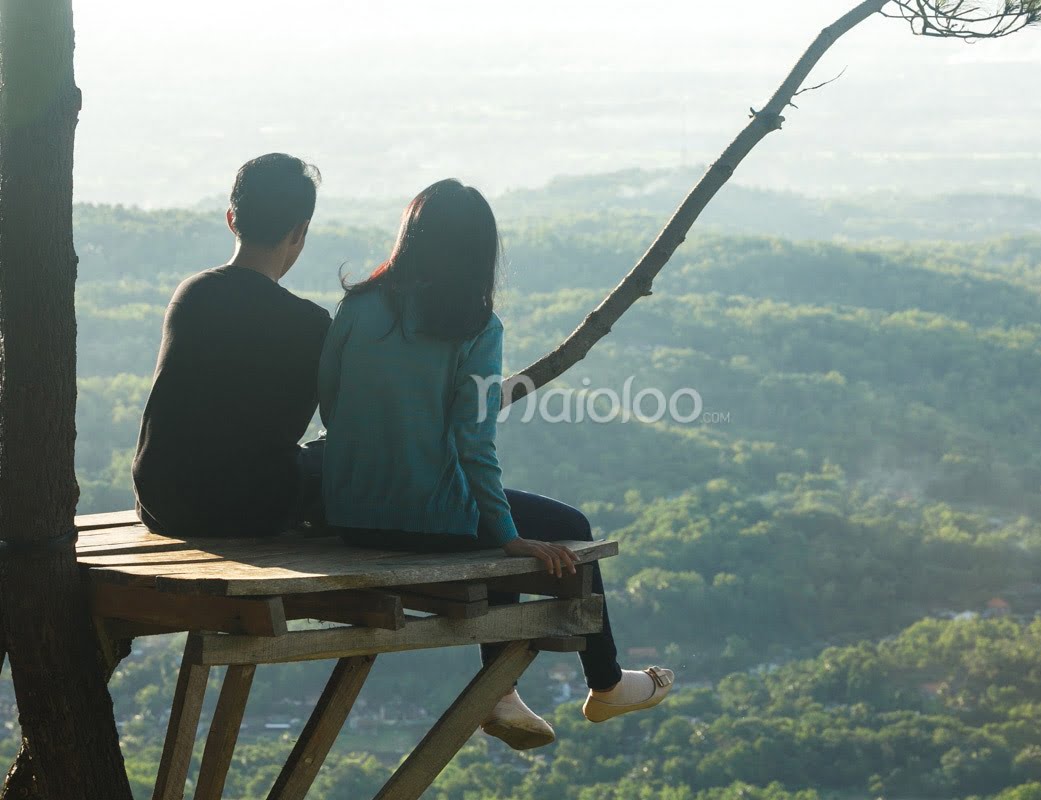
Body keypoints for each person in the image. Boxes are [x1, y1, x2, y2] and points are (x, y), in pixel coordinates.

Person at [318, 178, 674, 750]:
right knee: (567, 529)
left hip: (350, 515)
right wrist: (508, 536)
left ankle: (506, 696)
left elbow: (331, 406)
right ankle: (603, 684)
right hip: (429, 526)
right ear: (480, 253)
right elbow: (473, 446)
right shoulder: (475, 328)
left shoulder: (357, 307)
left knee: (496, 522)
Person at [132, 153, 330, 539]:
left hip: (161, 503)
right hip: (253, 508)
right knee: (332, 455)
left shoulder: (193, 293)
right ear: (299, 231)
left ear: (231, 219)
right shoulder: (311, 324)